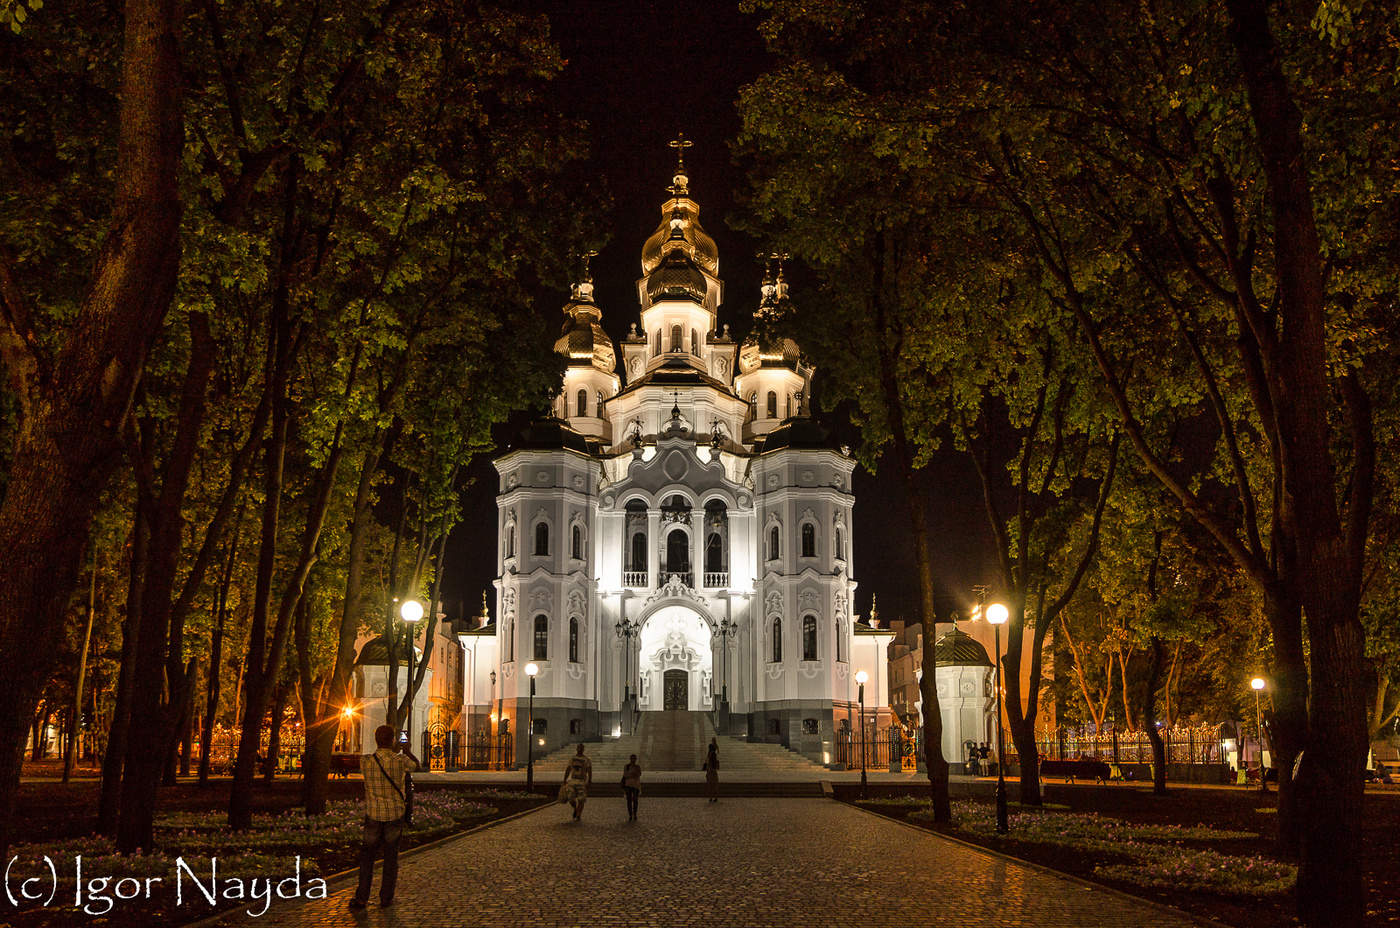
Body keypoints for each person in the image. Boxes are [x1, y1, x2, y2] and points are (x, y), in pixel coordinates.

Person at [351, 725, 419, 910]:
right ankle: (386, 897)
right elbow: (417, 766)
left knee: (367, 858)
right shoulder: (400, 761)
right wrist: (407, 750)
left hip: (374, 813)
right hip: (394, 814)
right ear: (393, 740)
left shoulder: (366, 761)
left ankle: (362, 897)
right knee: (391, 857)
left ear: (376, 740)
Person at [561, 743, 593, 821]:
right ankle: (575, 808)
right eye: (579, 748)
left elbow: (589, 770)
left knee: (581, 799)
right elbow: (568, 769)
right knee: (570, 798)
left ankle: (578, 815)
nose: (580, 749)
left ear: (583, 749)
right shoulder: (572, 759)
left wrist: (589, 781)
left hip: (582, 781)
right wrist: (564, 779)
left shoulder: (587, 760)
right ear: (576, 749)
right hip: (573, 780)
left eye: (581, 748)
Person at [622, 754, 643, 821]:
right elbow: (625, 775)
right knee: (629, 800)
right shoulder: (627, 766)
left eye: (634, 759)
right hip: (628, 785)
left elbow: (639, 774)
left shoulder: (637, 766)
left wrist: (631, 774)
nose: (633, 760)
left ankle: (635, 813)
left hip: (636, 785)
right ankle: (630, 814)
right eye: (632, 758)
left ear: (636, 759)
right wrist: (633, 773)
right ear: (630, 759)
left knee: (635, 800)